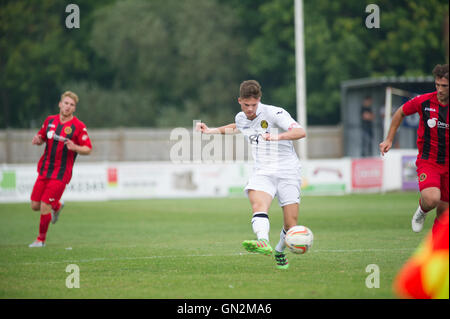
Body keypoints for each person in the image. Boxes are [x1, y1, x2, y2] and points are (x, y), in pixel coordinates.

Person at [196, 80, 306, 269]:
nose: (250, 109)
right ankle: (263, 241)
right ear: (239, 101)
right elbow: (236, 127)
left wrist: (276, 136)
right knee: (258, 204)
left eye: (254, 105)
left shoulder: (274, 113)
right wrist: (209, 131)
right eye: (246, 105)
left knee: (291, 225)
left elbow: (300, 132)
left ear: (259, 100)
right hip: (263, 171)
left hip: (288, 170)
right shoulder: (241, 117)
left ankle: (279, 250)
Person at [379, 64, 449, 234]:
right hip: (429, 160)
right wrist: (389, 138)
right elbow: (400, 112)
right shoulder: (424, 101)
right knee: (432, 199)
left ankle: (436, 250)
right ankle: (422, 211)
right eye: (437, 85)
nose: (440, 89)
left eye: (444, 86)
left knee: (444, 214)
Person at [29, 91, 92, 247]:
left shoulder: (78, 126)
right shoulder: (50, 121)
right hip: (45, 169)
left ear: (74, 108)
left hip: (61, 173)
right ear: (60, 104)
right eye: (66, 103)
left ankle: (40, 240)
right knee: (35, 205)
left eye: (71, 105)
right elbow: (42, 136)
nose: (68, 107)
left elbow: (88, 149)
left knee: (44, 205)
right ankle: (57, 206)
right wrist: (38, 140)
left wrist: (75, 147)